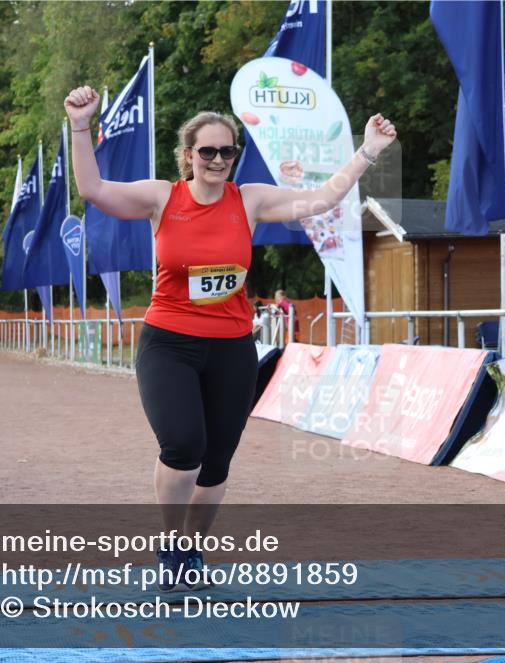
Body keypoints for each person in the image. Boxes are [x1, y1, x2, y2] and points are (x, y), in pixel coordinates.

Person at [63, 85, 396, 590]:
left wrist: (368, 149)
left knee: (216, 461)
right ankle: (172, 548)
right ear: (188, 156)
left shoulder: (250, 200)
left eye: (227, 151)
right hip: (169, 342)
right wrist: (80, 124)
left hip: (232, 348)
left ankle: (192, 553)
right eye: (208, 151)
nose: (218, 160)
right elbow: (92, 189)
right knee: (183, 445)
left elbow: (323, 198)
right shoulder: (162, 197)